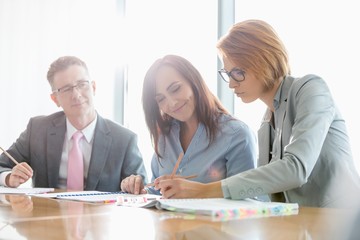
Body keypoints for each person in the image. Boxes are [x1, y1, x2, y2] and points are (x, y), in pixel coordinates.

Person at [153, 20, 360, 208]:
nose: (232, 84)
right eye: (228, 75)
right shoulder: (265, 126)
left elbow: (295, 169)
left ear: (263, 59)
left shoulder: (311, 88)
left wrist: (203, 190)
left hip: (342, 224)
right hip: (302, 229)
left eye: (238, 73)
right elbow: (269, 194)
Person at [0, 56, 148, 191]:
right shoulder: (37, 129)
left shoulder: (124, 139)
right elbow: (2, 166)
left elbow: (141, 187)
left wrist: (134, 185)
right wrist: (8, 177)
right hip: (47, 216)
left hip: (99, 218)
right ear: (55, 99)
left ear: (93, 87)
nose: (76, 95)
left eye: (82, 84)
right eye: (66, 89)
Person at [121, 54, 257, 194]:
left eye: (175, 89)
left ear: (193, 82)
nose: (172, 103)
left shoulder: (237, 135)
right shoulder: (164, 137)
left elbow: (247, 199)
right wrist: (137, 189)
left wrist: (200, 192)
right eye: (161, 99)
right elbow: (158, 193)